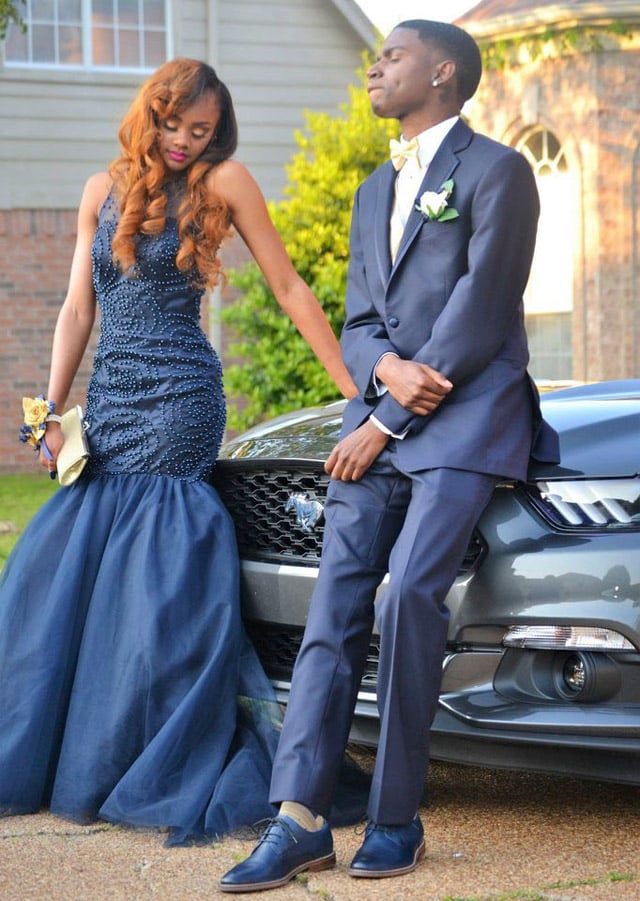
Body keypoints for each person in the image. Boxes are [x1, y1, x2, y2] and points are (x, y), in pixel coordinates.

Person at [220, 19, 560, 892]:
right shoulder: (375, 187)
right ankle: (295, 817)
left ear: (443, 73)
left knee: (409, 591)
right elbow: (361, 318)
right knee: (334, 602)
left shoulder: (499, 171)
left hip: (468, 420)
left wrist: (392, 413)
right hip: (380, 414)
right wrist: (379, 372)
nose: (375, 68)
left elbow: (483, 309)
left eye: (392, 56)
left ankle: (397, 817)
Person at [0, 58, 356, 845]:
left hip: (181, 401)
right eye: (174, 125)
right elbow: (75, 307)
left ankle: (153, 745)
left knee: (156, 572)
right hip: (113, 397)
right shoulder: (101, 189)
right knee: (75, 563)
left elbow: (290, 288)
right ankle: (92, 742)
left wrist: (354, 389)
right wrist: (48, 409)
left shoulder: (225, 182)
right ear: (149, 114)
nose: (185, 142)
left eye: (201, 130)